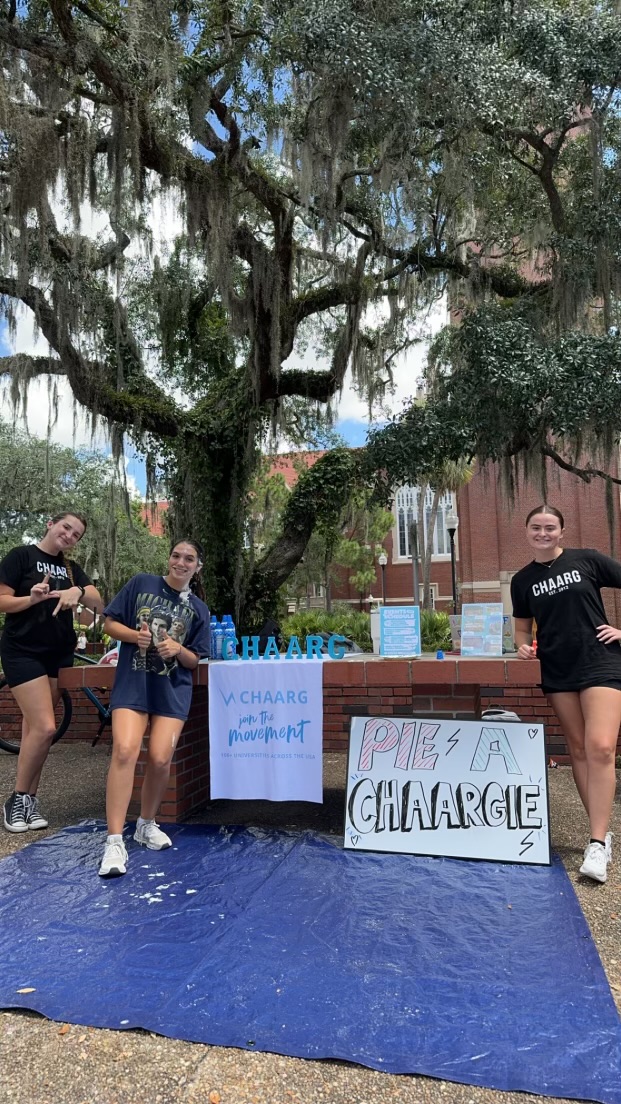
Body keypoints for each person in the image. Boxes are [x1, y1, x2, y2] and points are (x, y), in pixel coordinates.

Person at [512, 504, 621, 884]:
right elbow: (522, 630)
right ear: (527, 531)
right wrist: (522, 646)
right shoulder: (522, 580)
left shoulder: (587, 560)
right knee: (577, 749)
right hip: (558, 669)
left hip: (601, 662)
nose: (543, 534)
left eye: (550, 528)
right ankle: (600, 835)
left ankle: (595, 842)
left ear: (562, 531)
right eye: (536, 528)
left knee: (602, 747)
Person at [98, 539, 211, 877]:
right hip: (134, 683)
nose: (181, 562)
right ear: (169, 558)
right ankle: (114, 841)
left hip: (172, 690)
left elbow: (195, 659)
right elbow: (109, 623)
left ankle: (146, 824)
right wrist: (135, 637)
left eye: (189, 558)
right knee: (125, 750)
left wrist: (178, 649)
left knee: (161, 759)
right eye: (176, 555)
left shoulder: (200, 610)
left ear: (197, 567)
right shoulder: (141, 583)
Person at [0, 512, 102, 832]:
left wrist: (79, 594)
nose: (69, 536)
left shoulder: (71, 569)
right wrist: (29, 599)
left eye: (76, 535)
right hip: (23, 651)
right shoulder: (22, 556)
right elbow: (2, 601)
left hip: (58, 655)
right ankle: (15, 799)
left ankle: (30, 801)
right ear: (50, 524)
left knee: (36, 733)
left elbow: (97, 604)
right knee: (45, 728)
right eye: (66, 527)